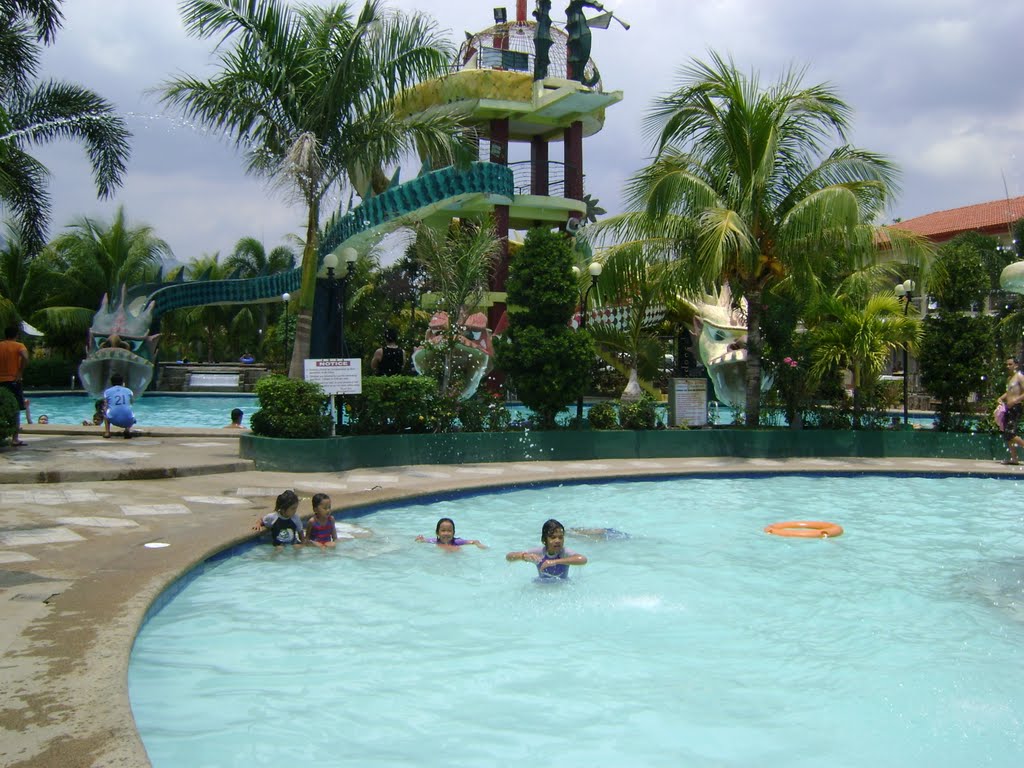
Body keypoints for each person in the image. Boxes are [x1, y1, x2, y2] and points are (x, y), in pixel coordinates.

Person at [506, 518, 587, 580]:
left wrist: (554, 562)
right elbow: (509, 557)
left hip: (562, 586)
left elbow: (583, 559)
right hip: (542, 587)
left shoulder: (564, 553)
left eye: (560, 537)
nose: (557, 541)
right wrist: (523, 556)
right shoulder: (539, 553)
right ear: (544, 540)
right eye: (553, 537)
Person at [0, 324, 30, 446]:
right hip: (13, 380)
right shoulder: (19, 346)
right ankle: (15, 438)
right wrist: (20, 372)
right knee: (16, 408)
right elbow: (25, 357)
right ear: (16, 335)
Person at [998, 357, 1024, 464]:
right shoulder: (1010, 378)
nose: (1008, 366)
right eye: (1007, 364)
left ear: (1016, 365)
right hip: (1008, 408)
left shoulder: (1020, 377)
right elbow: (1009, 392)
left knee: (1011, 433)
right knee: (1007, 434)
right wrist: (1001, 398)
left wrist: (1015, 401)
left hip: (1016, 407)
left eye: (1010, 364)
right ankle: (1014, 458)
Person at [415, 517, 487, 550]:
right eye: (443, 530)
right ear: (437, 532)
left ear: (453, 533)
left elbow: (474, 541)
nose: (446, 533)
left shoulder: (457, 542)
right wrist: (419, 539)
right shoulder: (434, 541)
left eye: (449, 531)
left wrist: (479, 545)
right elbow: (423, 540)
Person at [103, 373, 136, 439]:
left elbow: (105, 406)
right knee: (129, 411)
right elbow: (132, 402)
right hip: (128, 420)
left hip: (113, 418)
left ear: (111, 382)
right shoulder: (129, 391)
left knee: (105, 412)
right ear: (122, 382)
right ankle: (127, 430)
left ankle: (107, 432)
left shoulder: (107, 392)